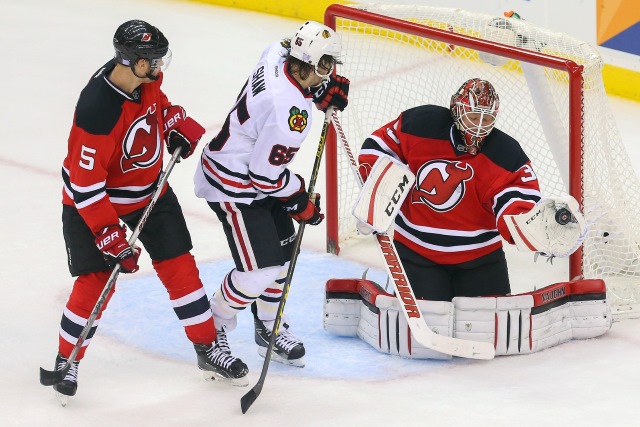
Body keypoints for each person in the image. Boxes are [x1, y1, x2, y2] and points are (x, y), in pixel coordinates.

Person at [47, 19, 248, 402]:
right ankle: (66, 359)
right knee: (94, 281)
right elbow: (85, 184)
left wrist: (174, 121)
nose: (158, 68)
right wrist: (108, 233)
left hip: (147, 191)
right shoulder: (97, 111)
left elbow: (158, 107)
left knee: (180, 267)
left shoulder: (145, 80)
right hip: (92, 202)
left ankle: (208, 348)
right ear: (134, 61)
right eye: (152, 61)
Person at [194, 21, 350, 368]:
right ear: (309, 63)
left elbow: (281, 52)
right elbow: (264, 177)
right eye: (325, 65)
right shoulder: (290, 115)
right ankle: (213, 326)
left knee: (283, 257)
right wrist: (298, 200)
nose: (329, 72)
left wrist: (316, 90)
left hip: (249, 174)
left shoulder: (276, 56)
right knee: (257, 273)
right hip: (234, 187)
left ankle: (268, 326)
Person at [357, 78, 542, 302]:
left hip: (480, 259)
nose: (480, 126)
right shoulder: (420, 124)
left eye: (488, 119)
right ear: (456, 109)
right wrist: (378, 193)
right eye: (473, 117)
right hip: (417, 253)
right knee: (425, 323)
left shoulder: (506, 153)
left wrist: (529, 227)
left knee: (489, 328)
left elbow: (517, 199)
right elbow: (376, 150)